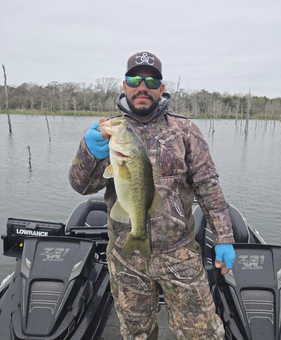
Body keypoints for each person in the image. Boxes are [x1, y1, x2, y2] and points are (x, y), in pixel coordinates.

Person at [69, 51, 235, 340]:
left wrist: (223, 238)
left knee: (203, 334)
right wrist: (91, 153)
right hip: (126, 254)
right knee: (137, 335)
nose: (141, 86)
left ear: (161, 87)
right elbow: (81, 186)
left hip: (180, 252)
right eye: (134, 79)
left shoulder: (185, 130)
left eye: (151, 79)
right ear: (124, 85)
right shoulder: (108, 131)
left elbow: (208, 186)